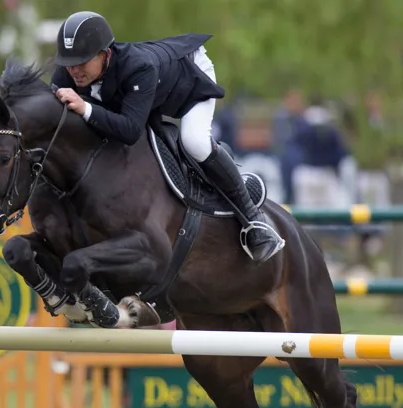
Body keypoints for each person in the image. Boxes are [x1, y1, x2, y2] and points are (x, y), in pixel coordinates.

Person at [50, 11, 284, 263]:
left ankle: (254, 219)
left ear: (105, 54)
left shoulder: (138, 67)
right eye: (69, 62)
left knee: (194, 142)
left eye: (81, 62)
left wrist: (85, 108)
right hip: (150, 94)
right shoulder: (69, 71)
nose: (74, 70)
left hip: (190, 77)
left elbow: (130, 130)